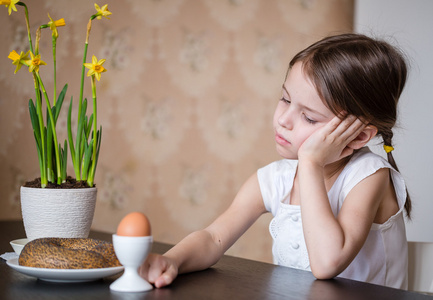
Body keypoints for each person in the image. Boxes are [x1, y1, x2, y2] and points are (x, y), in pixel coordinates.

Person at [140, 33, 411, 290]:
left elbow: (327, 263)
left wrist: (310, 163)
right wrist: (172, 260)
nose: (283, 119)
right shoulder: (275, 179)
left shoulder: (369, 176)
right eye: (285, 99)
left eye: (309, 118)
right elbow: (213, 239)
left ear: (358, 136)